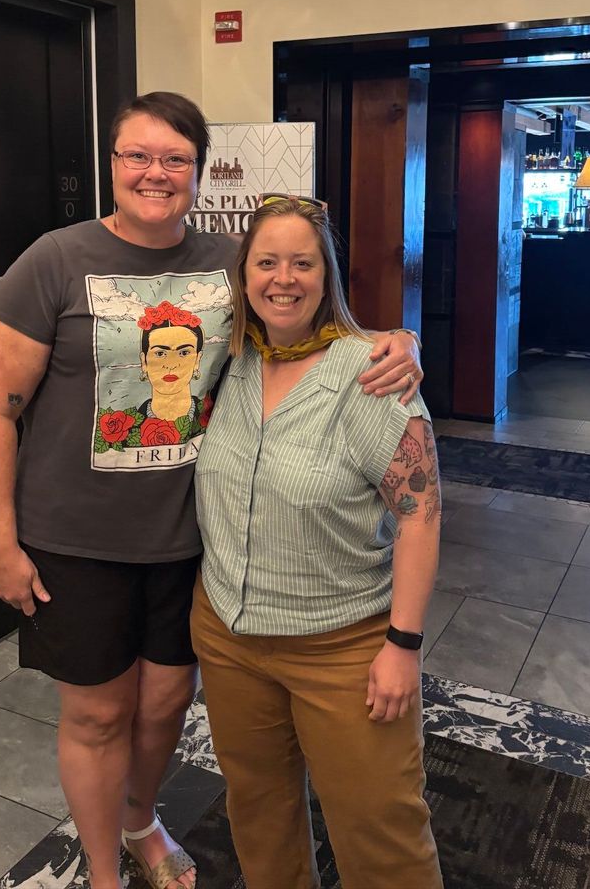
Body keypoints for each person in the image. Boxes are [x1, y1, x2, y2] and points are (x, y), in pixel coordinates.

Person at [0, 93, 423, 889]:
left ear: (200, 174)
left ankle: (140, 819)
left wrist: (397, 340)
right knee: (99, 713)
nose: (156, 172)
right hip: (76, 542)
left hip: (189, 541)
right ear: (112, 164)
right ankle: (103, 872)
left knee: (163, 707)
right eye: (137, 155)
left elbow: (304, 307)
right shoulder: (54, 260)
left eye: (176, 159)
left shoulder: (226, 261)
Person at [191, 196, 443, 889]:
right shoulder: (228, 360)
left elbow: (420, 514)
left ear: (326, 275)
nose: (284, 278)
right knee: (259, 813)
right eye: (267, 262)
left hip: (343, 648)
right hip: (230, 637)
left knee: (381, 832)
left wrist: (403, 645)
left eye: (302, 263)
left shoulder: (372, 376)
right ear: (244, 276)